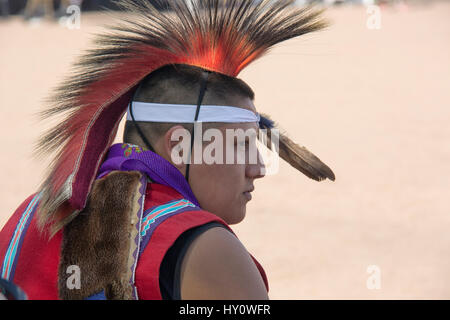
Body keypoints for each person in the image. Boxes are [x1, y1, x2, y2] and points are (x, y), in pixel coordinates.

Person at [0, 0, 335, 300]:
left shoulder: (33, 213)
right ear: (179, 145)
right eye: (239, 145)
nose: (259, 168)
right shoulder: (208, 250)